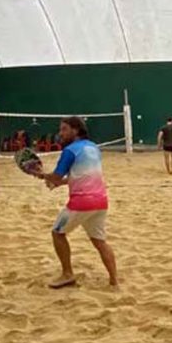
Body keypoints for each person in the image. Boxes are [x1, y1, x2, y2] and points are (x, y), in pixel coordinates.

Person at [35, 117, 118, 289]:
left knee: (57, 233)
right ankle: (114, 281)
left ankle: (67, 274)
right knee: (100, 242)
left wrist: (42, 175)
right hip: (101, 200)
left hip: (81, 202)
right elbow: (82, 175)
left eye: (64, 129)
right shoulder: (93, 147)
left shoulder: (70, 151)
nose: (60, 133)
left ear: (76, 130)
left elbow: (57, 176)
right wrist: (58, 182)